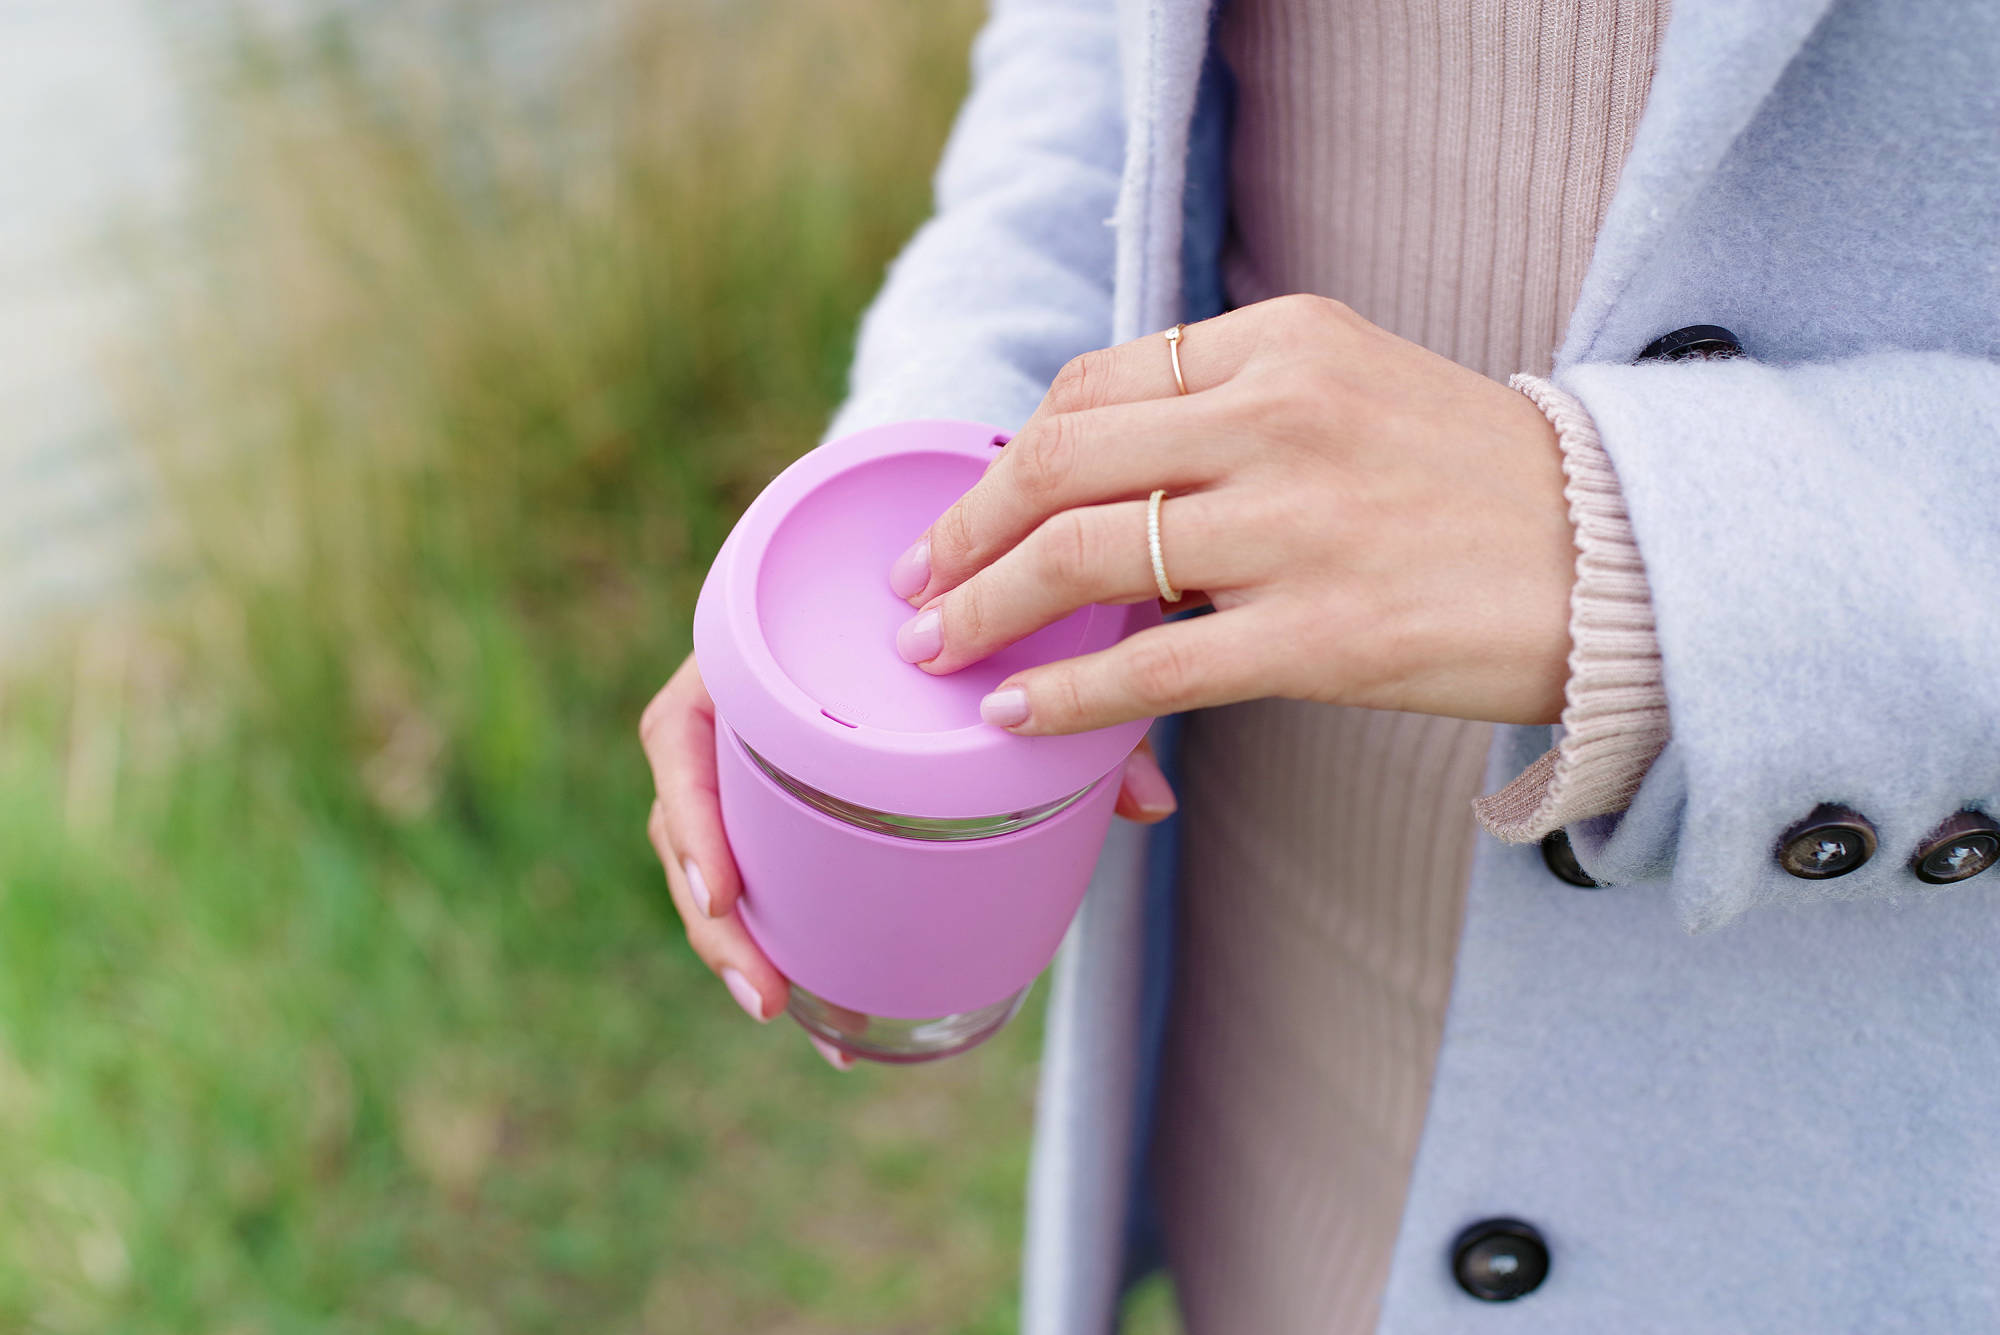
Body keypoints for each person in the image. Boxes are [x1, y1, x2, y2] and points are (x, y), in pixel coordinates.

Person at [640, 0, 2000, 1329]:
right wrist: (944, 486)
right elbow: (1092, 59)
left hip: (1809, 1163)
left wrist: (1668, 545)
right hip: (1270, 983)